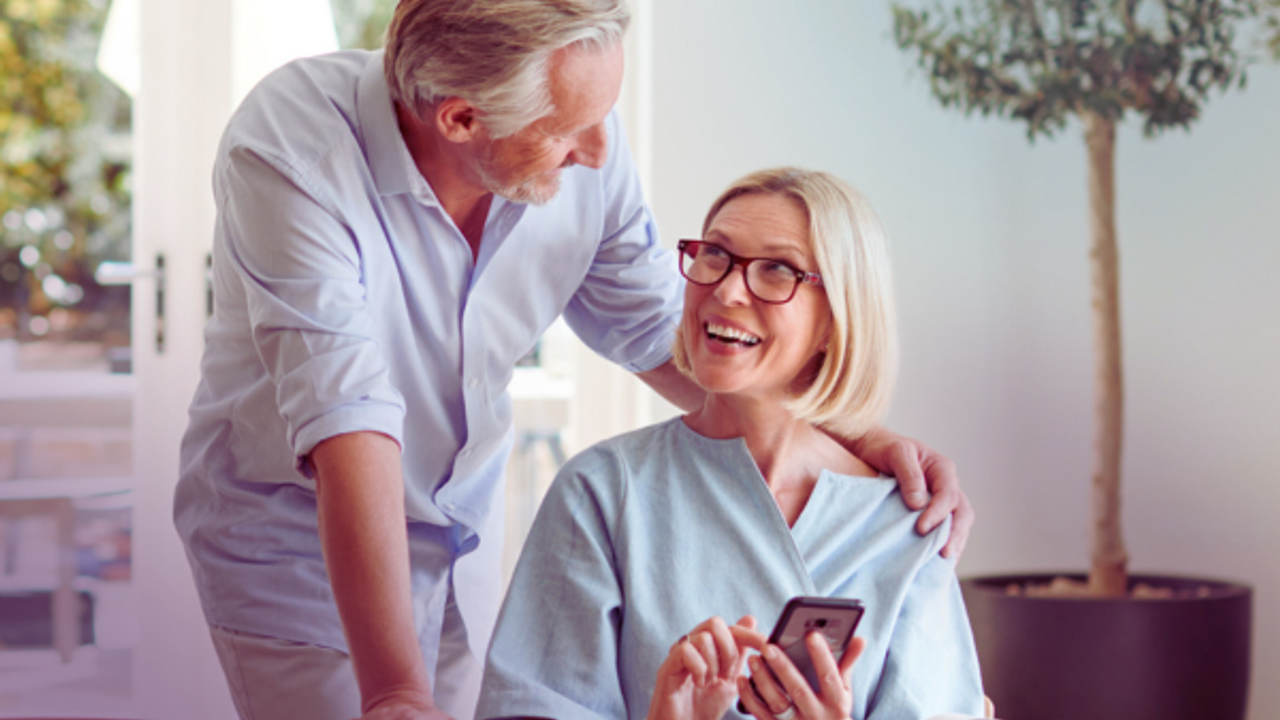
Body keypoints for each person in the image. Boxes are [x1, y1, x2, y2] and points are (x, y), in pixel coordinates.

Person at [173, 1, 973, 719]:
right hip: (306, 554)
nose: (598, 150)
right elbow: (348, 420)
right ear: (460, 120)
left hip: (460, 543)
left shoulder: (582, 125)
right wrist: (394, 694)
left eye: (605, 115)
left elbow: (674, 328)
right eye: (566, 130)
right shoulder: (294, 149)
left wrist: (847, 438)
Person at [478, 168, 986, 720]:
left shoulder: (903, 526)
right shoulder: (603, 491)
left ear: (835, 321)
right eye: (714, 255)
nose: (725, 289)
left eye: (777, 270)